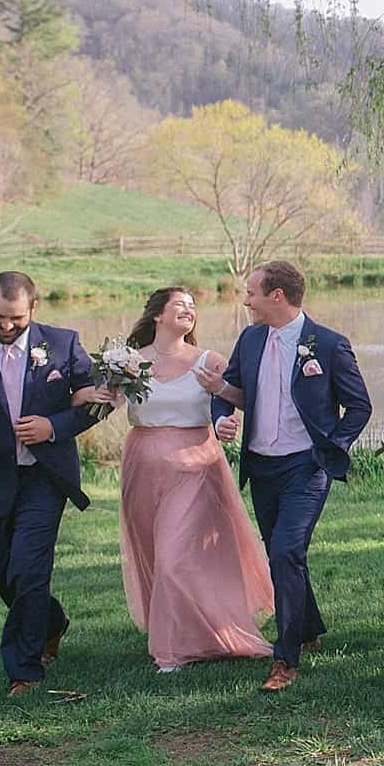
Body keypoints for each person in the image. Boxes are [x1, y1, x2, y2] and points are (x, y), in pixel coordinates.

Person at [202, 260, 371, 692]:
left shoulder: (328, 345)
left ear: (276, 296)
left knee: (285, 551)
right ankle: (308, 626)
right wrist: (221, 415)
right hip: (261, 466)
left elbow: (359, 407)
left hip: (306, 466)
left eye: (252, 293)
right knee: (285, 553)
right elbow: (229, 389)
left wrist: (331, 446)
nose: (246, 300)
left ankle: (286, 657)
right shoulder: (251, 338)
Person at [114, 284, 273, 672]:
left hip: (196, 464)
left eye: (192, 306)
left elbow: (236, 397)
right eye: (179, 305)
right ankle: (183, 630)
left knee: (175, 557)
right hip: (143, 465)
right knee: (154, 555)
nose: (189, 310)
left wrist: (224, 420)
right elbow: (104, 400)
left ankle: (171, 650)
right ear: (158, 315)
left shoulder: (208, 360)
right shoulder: (130, 362)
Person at [0, 271, 107, 695]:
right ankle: (51, 621)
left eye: (15, 318)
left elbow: (99, 401)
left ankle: (24, 669)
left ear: (33, 309)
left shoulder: (63, 344)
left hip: (44, 477)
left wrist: (53, 426)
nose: (6, 326)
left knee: (28, 566)